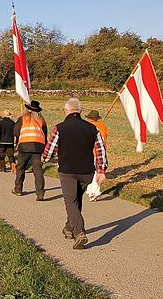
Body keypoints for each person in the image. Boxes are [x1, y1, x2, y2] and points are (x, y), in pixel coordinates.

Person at [42, 98, 108, 250]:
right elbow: (100, 151)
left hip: (67, 171)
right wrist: (102, 170)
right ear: (80, 111)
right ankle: (69, 228)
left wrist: (44, 158)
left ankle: (79, 233)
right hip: (87, 172)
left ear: (66, 111)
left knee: (71, 201)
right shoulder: (93, 129)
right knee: (76, 200)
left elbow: (50, 149)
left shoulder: (59, 128)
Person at [13, 100, 48, 200]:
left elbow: (16, 132)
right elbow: (45, 135)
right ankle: (40, 193)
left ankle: (18, 189)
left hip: (24, 146)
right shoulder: (42, 120)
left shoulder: (23, 118)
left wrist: (18, 140)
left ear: (28, 109)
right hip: (38, 147)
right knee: (38, 170)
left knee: (21, 168)